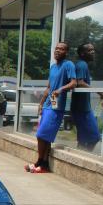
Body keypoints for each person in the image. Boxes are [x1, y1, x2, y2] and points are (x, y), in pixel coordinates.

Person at [25, 41, 77, 173]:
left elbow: (73, 83)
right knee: (44, 135)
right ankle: (41, 162)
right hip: (49, 102)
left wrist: (61, 89)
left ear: (66, 52)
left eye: (61, 49)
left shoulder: (68, 65)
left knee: (41, 134)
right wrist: (41, 103)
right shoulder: (53, 67)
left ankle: (43, 163)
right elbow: (48, 87)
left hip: (57, 105)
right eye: (56, 48)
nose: (57, 51)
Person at [71, 43, 102, 151]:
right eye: (89, 50)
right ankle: (84, 155)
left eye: (93, 50)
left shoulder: (82, 65)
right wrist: (99, 92)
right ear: (82, 53)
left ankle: (79, 157)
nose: (93, 52)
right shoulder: (82, 65)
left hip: (82, 108)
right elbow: (79, 82)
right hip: (82, 110)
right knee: (94, 137)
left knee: (83, 139)